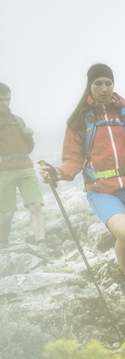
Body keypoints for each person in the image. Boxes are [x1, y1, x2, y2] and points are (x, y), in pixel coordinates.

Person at [40, 64, 125, 326]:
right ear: (90, 86)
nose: (104, 88)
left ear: (113, 85)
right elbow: (72, 162)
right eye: (98, 83)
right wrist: (56, 173)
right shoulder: (81, 121)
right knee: (124, 232)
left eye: (108, 83)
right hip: (101, 191)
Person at [0, 83, 46, 248]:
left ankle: (41, 244)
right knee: (7, 214)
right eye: (2, 100)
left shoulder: (18, 120)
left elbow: (28, 148)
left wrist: (29, 136)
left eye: (8, 99)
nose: (5, 103)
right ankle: (3, 244)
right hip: (4, 171)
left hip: (25, 167)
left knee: (36, 206)